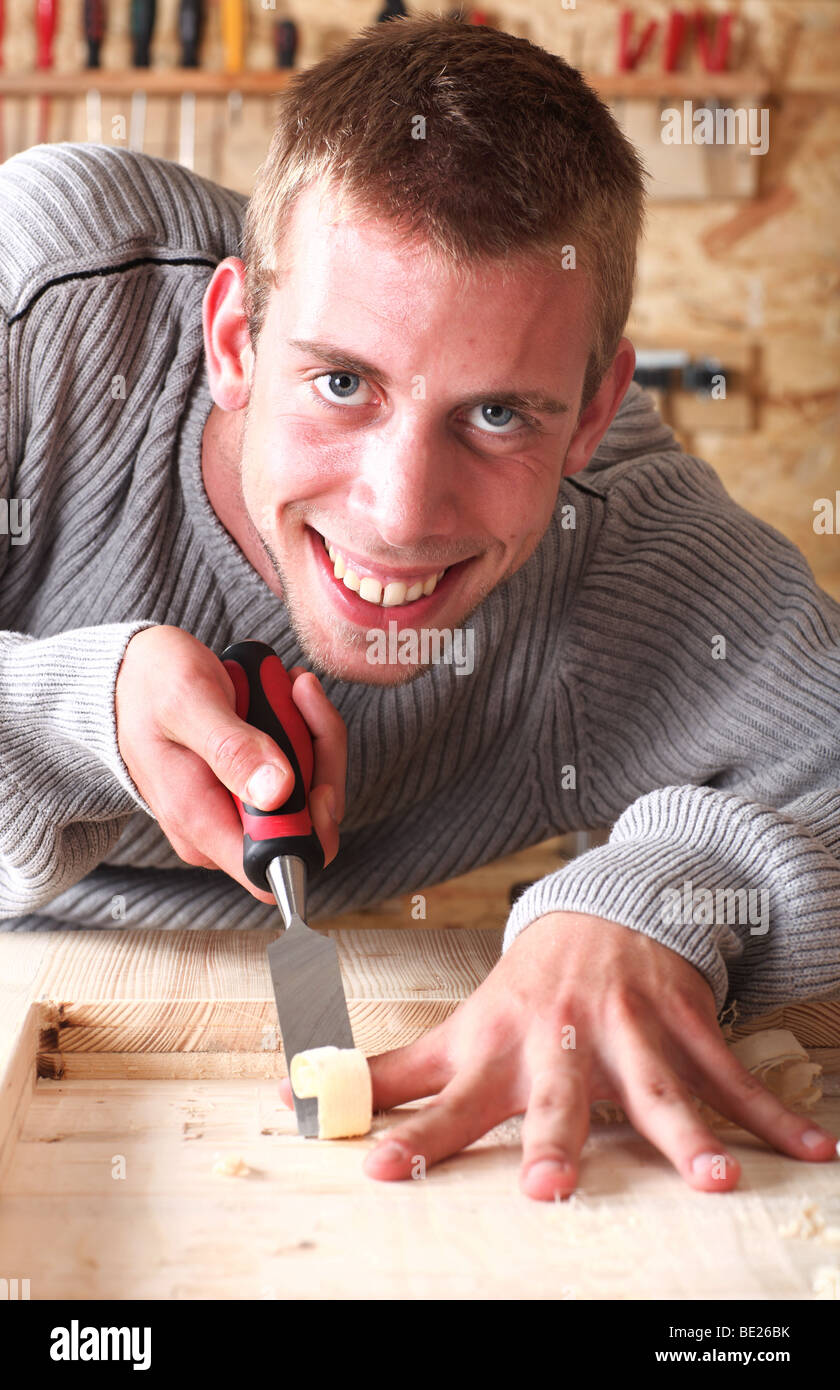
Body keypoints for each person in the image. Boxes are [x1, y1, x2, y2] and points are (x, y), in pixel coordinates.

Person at [0, 17, 837, 1202]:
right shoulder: (41, 293)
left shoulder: (625, 537)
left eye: (500, 416)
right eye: (342, 383)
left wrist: (640, 912)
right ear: (234, 339)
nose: (400, 514)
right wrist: (83, 711)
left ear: (595, 411)